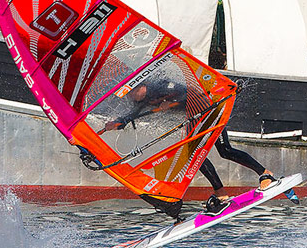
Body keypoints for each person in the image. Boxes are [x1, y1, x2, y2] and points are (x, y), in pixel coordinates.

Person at [99, 77, 279, 217]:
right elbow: (132, 116)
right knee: (194, 155)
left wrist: (173, 103)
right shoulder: (143, 100)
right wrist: (114, 124)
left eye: (131, 92)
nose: (130, 97)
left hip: (209, 110)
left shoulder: (161, 86)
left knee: (225, 151)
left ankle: (266, 174)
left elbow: (192, 93)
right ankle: (221, 194)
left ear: (142, 86)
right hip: (195, 119)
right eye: (128, 95)